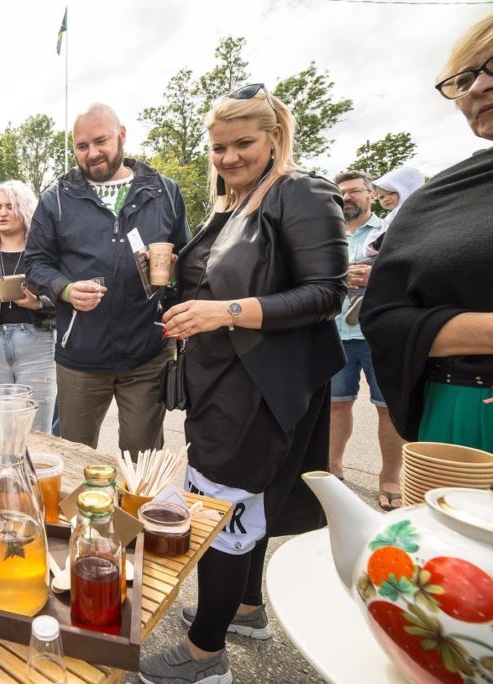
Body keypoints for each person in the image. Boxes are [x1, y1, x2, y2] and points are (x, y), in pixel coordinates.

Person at [140, 84, 346, 684]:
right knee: (242, 502)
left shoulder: (300, 192)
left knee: (220, 511)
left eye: (242, 144)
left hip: (258, 387)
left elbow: (326, 294)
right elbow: (211, 281)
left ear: (275, 138)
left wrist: (223, 312)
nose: (228, 157)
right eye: (218, 148)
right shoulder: (231, 203)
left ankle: (205, 654)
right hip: (220, 379)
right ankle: (246, 608)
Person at [25, 103, 190, 453]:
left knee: (141, 460)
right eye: (82, 146)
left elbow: (189, 261)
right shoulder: (56, 199)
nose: (92, 153)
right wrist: (65, 289)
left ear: (122, 135)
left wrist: (175, 279)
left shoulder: (164, 192)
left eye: (100, 141)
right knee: (74, 458)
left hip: (147, 353)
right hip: (80, 356)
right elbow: (35, 262)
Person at [362, 13, 493, 452]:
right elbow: (384, 317)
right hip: (461, 410)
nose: (478, 86)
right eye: (465, 79)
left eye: (491, 67)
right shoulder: (438, 198)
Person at [329, 171, 405, 511]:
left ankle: (390, 478)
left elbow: (412, 270)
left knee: (388, 408)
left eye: (354, 191)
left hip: (379, 334)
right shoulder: (329, 234)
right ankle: (333, 468)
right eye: (341, 193)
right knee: (336, 405)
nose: (347, 198)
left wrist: (378, 276)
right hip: (335, 332)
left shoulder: (391, 228)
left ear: (370, 195)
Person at [0, 181, 57, 432]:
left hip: (36, 346)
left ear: (25, 209)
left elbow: (63, 297)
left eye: (10, 206)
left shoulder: (44, 254)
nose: (2, 213)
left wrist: (38, 303)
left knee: (37, 433)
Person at [362, 165, 425, 258]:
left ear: (407, 188)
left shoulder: (413, 211)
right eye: (381, 197)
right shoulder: (390, 216)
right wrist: (376, 244)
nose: (385, 199)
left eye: (391, 192)